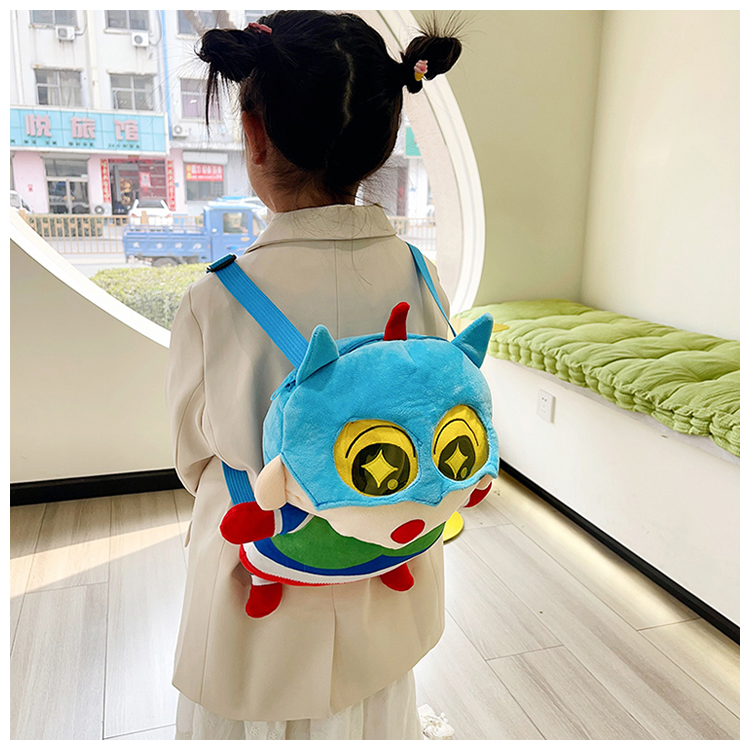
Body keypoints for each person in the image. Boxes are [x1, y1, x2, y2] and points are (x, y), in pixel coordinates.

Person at [165, 10, 463, 740]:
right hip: (386, 561)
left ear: (255, 135)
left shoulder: (217, 297)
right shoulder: (420, 274)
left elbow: (194, 459)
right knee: (373, 715)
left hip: (261, 579)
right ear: (383, 138)